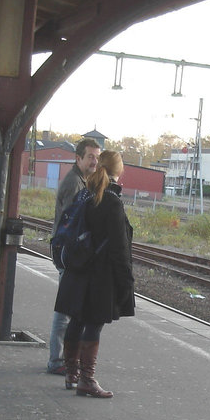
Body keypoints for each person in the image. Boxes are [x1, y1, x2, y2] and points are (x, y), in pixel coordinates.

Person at [53, 150, 134, 398]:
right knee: (93, 325)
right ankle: (86, 379)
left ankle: (71, 374)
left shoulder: (85, 194)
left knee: (77, 321)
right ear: (118, 172)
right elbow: (120, 250)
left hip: (77, 273)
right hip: (99, 278)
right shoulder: (112, 202)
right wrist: (126, 283)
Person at [47, 138, 102, 375]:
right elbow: (74, 222)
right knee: (65, 310)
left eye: (97, 158)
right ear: (77, 158)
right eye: (90, 157)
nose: (94, 162)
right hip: (68, 254)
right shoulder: (74, 184)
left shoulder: (82, 181)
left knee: (68, 308)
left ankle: (62, 358)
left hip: (68, 253)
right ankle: (57, 360)